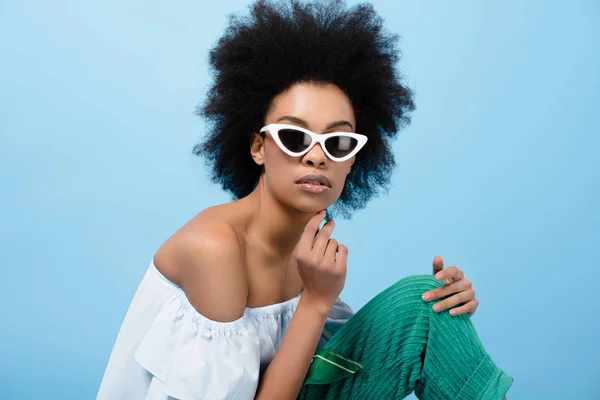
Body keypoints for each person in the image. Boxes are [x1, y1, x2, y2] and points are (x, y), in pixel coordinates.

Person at [97, 0, 513, 399]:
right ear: (259, 148)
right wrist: (316, 301)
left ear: (352, 160)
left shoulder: (307, 238)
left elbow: (318, 353)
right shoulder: (215, 249)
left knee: (425, 305)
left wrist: (443, 312)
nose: (317, 155)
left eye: (337, 142)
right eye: (295, 137)